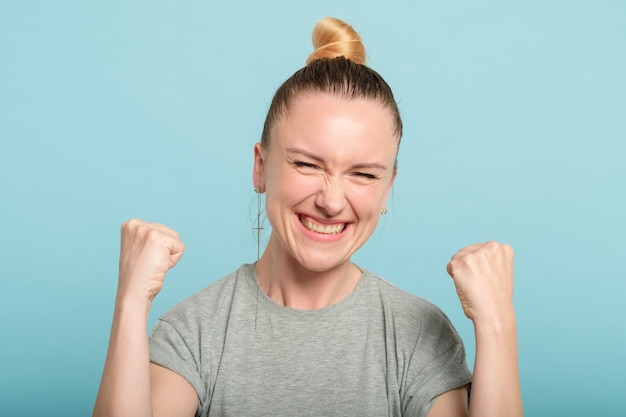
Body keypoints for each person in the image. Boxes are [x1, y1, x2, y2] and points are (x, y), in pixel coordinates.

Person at [93, 17, 523, 417]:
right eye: (306, 164)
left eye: (362, 174)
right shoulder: (195, 331)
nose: (331, 202)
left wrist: (497, 325)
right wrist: (130, 302)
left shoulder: (418, 335)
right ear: (261, 168)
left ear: (388, 188)